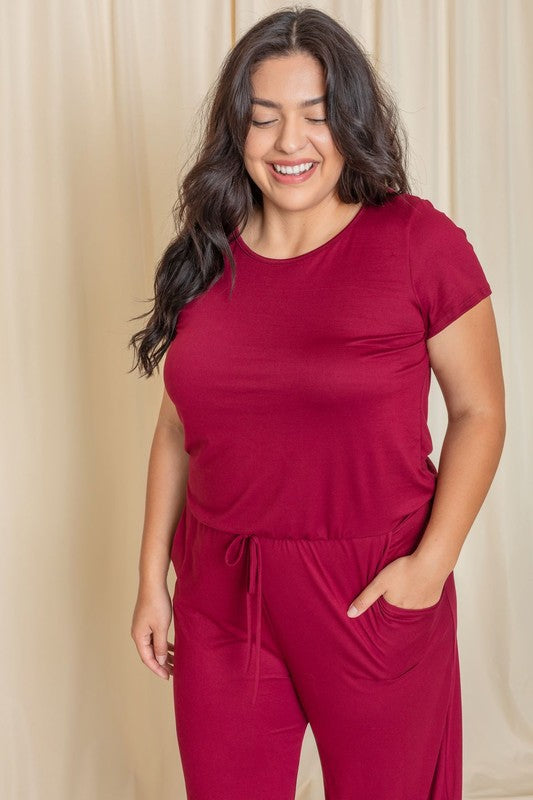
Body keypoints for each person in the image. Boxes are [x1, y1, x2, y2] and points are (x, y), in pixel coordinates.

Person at [129, 7, 505, 799]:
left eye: (316, 116)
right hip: (220, 588)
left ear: (351, 123)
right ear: (238, 134)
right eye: (264, 120)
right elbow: (175, 426)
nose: (289, 143)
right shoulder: (205, 255)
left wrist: (428, 567)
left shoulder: (415, 241)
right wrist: (151, 581)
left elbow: (478, 411)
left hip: (371, 581)